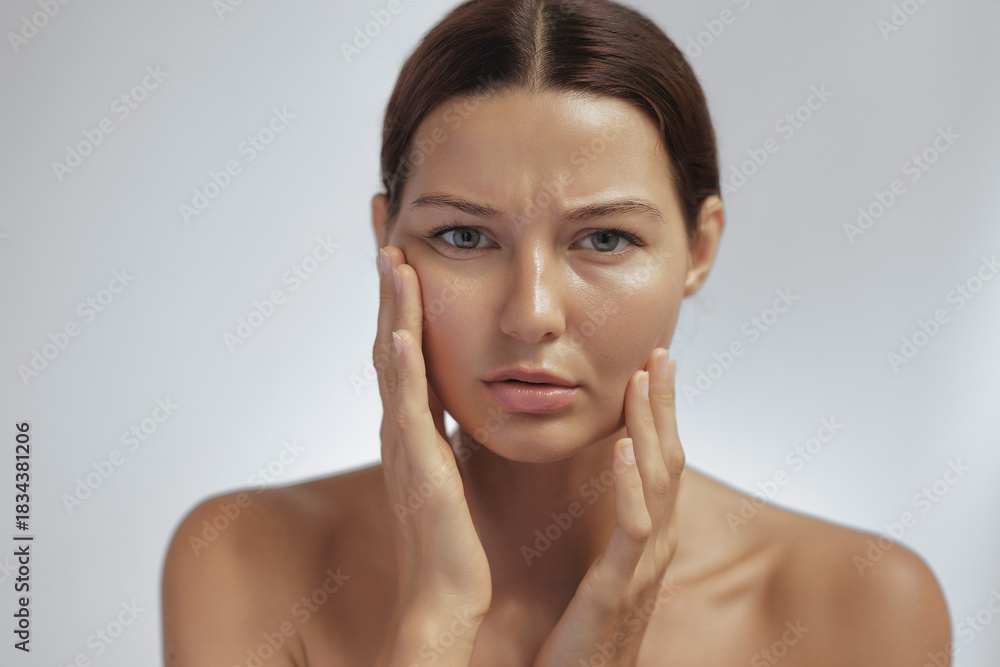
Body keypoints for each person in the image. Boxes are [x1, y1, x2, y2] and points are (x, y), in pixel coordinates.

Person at [161, 1, 952, 664]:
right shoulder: (243, 560)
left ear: (698, 248)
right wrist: (435, 620)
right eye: (465, 237)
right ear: (386, 238)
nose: (531, 313)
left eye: (604, 238)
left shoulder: (860, 605)